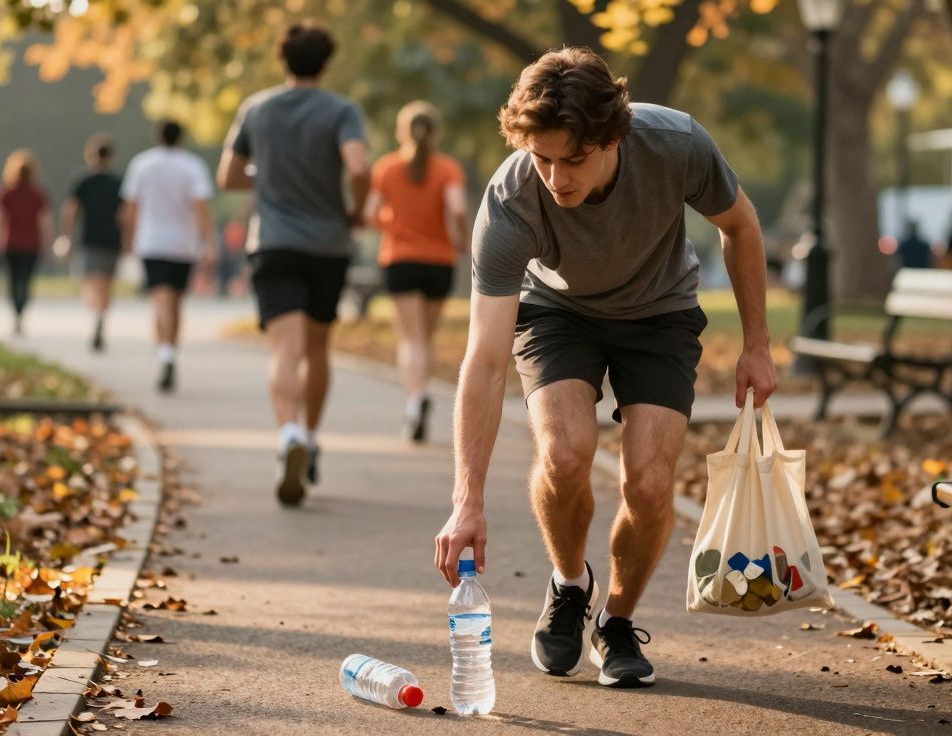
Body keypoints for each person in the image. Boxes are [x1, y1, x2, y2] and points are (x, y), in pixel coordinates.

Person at [432, 48, 779, 689]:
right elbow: (483, 360)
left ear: (612, 137)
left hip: (660, 311)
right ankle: (569, 584)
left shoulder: (675, 144)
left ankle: (616, 622)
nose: (556, 178)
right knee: (565, 455)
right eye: (542, 158)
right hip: (557, 311)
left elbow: (739, 223)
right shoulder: (511, 201)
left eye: (573, 159)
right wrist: (466, 501)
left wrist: (757, 343)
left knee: (648, 485)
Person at [216, 21, 370, 506]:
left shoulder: (256, 109)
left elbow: (228, 176)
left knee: (284, 347)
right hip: (328, 244)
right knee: (319, 345)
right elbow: (361, 168)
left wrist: (267, 177)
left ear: (283, 60)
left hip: (274, 242)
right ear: (325, 62)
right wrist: (356, 210)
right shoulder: (342, 110)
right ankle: (310, 434)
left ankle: (287, 435)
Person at [364, 101, 468, 443]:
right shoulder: (448, 169)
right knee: (426, 336)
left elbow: (370, 215)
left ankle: (415, 400)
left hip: (400, 259)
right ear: (435, 132)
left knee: (410, 338)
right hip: (439, 261)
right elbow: (457, 208)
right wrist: (461, 240)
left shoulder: (387, 167)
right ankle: (421, 394)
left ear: (401, 131)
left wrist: (392, 222)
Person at [121, 120, 217, 393]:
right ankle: (170, 351)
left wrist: (129, 239)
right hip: (183, 245)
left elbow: (131, 207)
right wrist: (209, 241)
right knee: (175, 302)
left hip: (152, 242)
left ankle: (164, 352)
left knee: (160, 300)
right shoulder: (193, 166)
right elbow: (201, 207)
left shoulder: (142, 164)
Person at [58, 134, 124, 352]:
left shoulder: (83, 181)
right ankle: (101, 314)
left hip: (89, 239)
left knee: (91, 280)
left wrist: (66, 236)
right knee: (106, 282)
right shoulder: (118, 182)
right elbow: (126, 214)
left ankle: (96, 313)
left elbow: (71, 210)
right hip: (113, 239)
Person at [0, 150, 52, 335]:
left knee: (13, 281)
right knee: (25, 281)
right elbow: (44, 221)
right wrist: (47, 243)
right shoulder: (37, 194)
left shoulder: (6, 193)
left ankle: (16, 313)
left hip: (10, 243)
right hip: (30, 244)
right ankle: (21, 312)